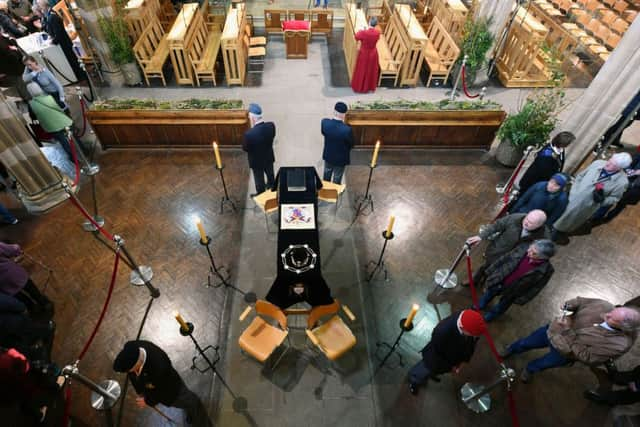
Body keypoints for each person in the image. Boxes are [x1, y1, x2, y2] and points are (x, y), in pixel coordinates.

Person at [503, 297, 640, 383]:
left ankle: (530, 369)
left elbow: (588, 357)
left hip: (563, 354)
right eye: (612, 311)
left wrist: (568, 331)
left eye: (611, 318)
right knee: (526, 342)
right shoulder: (605, 306)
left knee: (543, 364)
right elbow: (581, 301)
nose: (606, 314)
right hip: (551, 331)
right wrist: (570, 305)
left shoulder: (618, 345)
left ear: (623, 327)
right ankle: (512, 349)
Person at [113, 340, 211, 427]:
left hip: (172, 390)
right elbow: (133, 375)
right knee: (185, 404)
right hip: (158, 387)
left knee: (189, 401)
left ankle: (202, 420)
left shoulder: (159, 367)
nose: (129, 373)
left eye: (129, 370)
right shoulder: (133, 348)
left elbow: (159, 392)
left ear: (137, 364)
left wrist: (147, 401)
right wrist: (140, 391)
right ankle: (189, 410)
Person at [408, 310, 486, 395]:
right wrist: (452, 366)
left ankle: (431, 374)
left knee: (433, 371)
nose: (474, 337)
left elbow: (471, 343)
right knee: (423, 370)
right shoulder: (442, 332)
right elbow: (440, 353)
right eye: (472, 335)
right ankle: (414, 381)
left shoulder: (469, 324)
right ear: (463, 328)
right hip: (435, 359)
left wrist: (460, 362)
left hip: (448, 360)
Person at [553, 152, 631, 238]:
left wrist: (601, 200)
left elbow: (615, 198)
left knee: (567, 223)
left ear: (619, 168)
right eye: (610, 160)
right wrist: (574, 191)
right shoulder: (597, 163)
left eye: (613, 164)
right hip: (571, 197)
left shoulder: (622, 182)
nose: (608, 163)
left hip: (585, 207)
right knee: (556, 214)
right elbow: (580, 176)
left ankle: (558, 233)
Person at [465, 210, 549, 286]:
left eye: (531, 223)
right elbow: (496, 226)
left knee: (499, 274)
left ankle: (488, 284)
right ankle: (474, 280)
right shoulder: (515, 218)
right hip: (497, 252)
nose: (526, 222)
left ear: (539, 225)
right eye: (527, 219)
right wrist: (481, 236)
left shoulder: (544, 236)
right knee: (485, 267)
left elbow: (543, 253)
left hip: (514, 261)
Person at [478, 240, 555, 322]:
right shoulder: (522, 248)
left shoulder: (547, 270)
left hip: (514, 291)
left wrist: (523, 299)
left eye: (534, 253)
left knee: (501, 306)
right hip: (500, 279)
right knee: (488, 294)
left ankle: (490, 316)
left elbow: (537, 287)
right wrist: (490, 270)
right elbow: (504, 258)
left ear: (543, 257)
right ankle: (481, 304)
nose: (528, 252)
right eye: (530, 248)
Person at [35, 0, 85, 82]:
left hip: (64, 43)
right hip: (62, 43)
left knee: (72, 60)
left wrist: (53, 41)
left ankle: (81, 77)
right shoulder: (49, 15)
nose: (40, 9)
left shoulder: (52, 16)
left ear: (44, 6)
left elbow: (58, 33)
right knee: (71, 61)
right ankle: (78, 76)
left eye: (40, 7)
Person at [25, 82, 76, 162]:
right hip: (63, 121)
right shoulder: (50, 97)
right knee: (74, 136)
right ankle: (84, 150)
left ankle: (73, 158)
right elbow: (62, 106)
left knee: (63, 141)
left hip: (51, 127)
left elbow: (33, 118)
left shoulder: (31, 104)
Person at [0, 241, 53, 315]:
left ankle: (34, 309)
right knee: (31, 289)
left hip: (4, 286)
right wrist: (17, 250)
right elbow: (13, 249)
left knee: (21, 298)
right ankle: (44, 303)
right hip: (14, 275)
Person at [242, 103, 276, 197]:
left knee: (259, 180)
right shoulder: (271, 126)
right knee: (270, 175)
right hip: (268, 158)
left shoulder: (249, 134)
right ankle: (272, 189)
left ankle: (261, 195)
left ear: (252, 118)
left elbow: (245, 148)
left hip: (256, 162)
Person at [596, 153, 640, 223]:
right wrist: (634, 172)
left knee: (620, 205)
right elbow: (627, 166)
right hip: (621, 183)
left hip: (633, 191)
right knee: (609, 201)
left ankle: (608, 218)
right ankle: (597, 217)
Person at [321, 101, 354, 184]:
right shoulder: (347, 130)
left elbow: (323, 133)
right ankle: (334, 192)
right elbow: (351, 144)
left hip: (328, 155)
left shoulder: (325, 122)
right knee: (337, 176)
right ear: (344, 115)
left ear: (334, 111)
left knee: (326, 173)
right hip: (340, 158)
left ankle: (325, 190)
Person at [351, 17, 380, 93]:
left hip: (364, 53)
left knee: (362, 70)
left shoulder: (364, 32)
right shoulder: (377, 33)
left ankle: (360, 87)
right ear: (376, 24)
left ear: (369, 22)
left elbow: (357, 37)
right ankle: (368, 87)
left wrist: (363, 30)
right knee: (370, 71)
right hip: (373, 53)